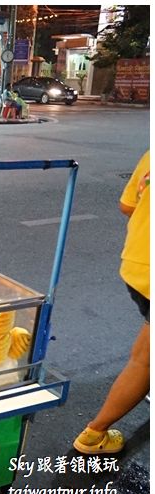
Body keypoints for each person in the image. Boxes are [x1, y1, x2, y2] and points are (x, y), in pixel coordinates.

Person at [73, 150, 150, 455]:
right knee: (144, 362)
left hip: (137, 265)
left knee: (145, 355)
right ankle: (93, 435)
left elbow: (127, 205)